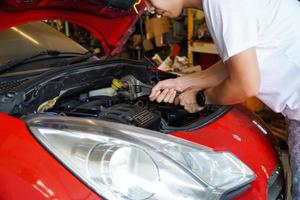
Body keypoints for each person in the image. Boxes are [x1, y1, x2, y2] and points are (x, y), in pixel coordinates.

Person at [146, 0, 300, 198]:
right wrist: (183, 83)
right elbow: (238, 62)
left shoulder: (223, 4)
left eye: (148, 0)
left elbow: (245, 85)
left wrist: (202, 98)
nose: (148, 8)